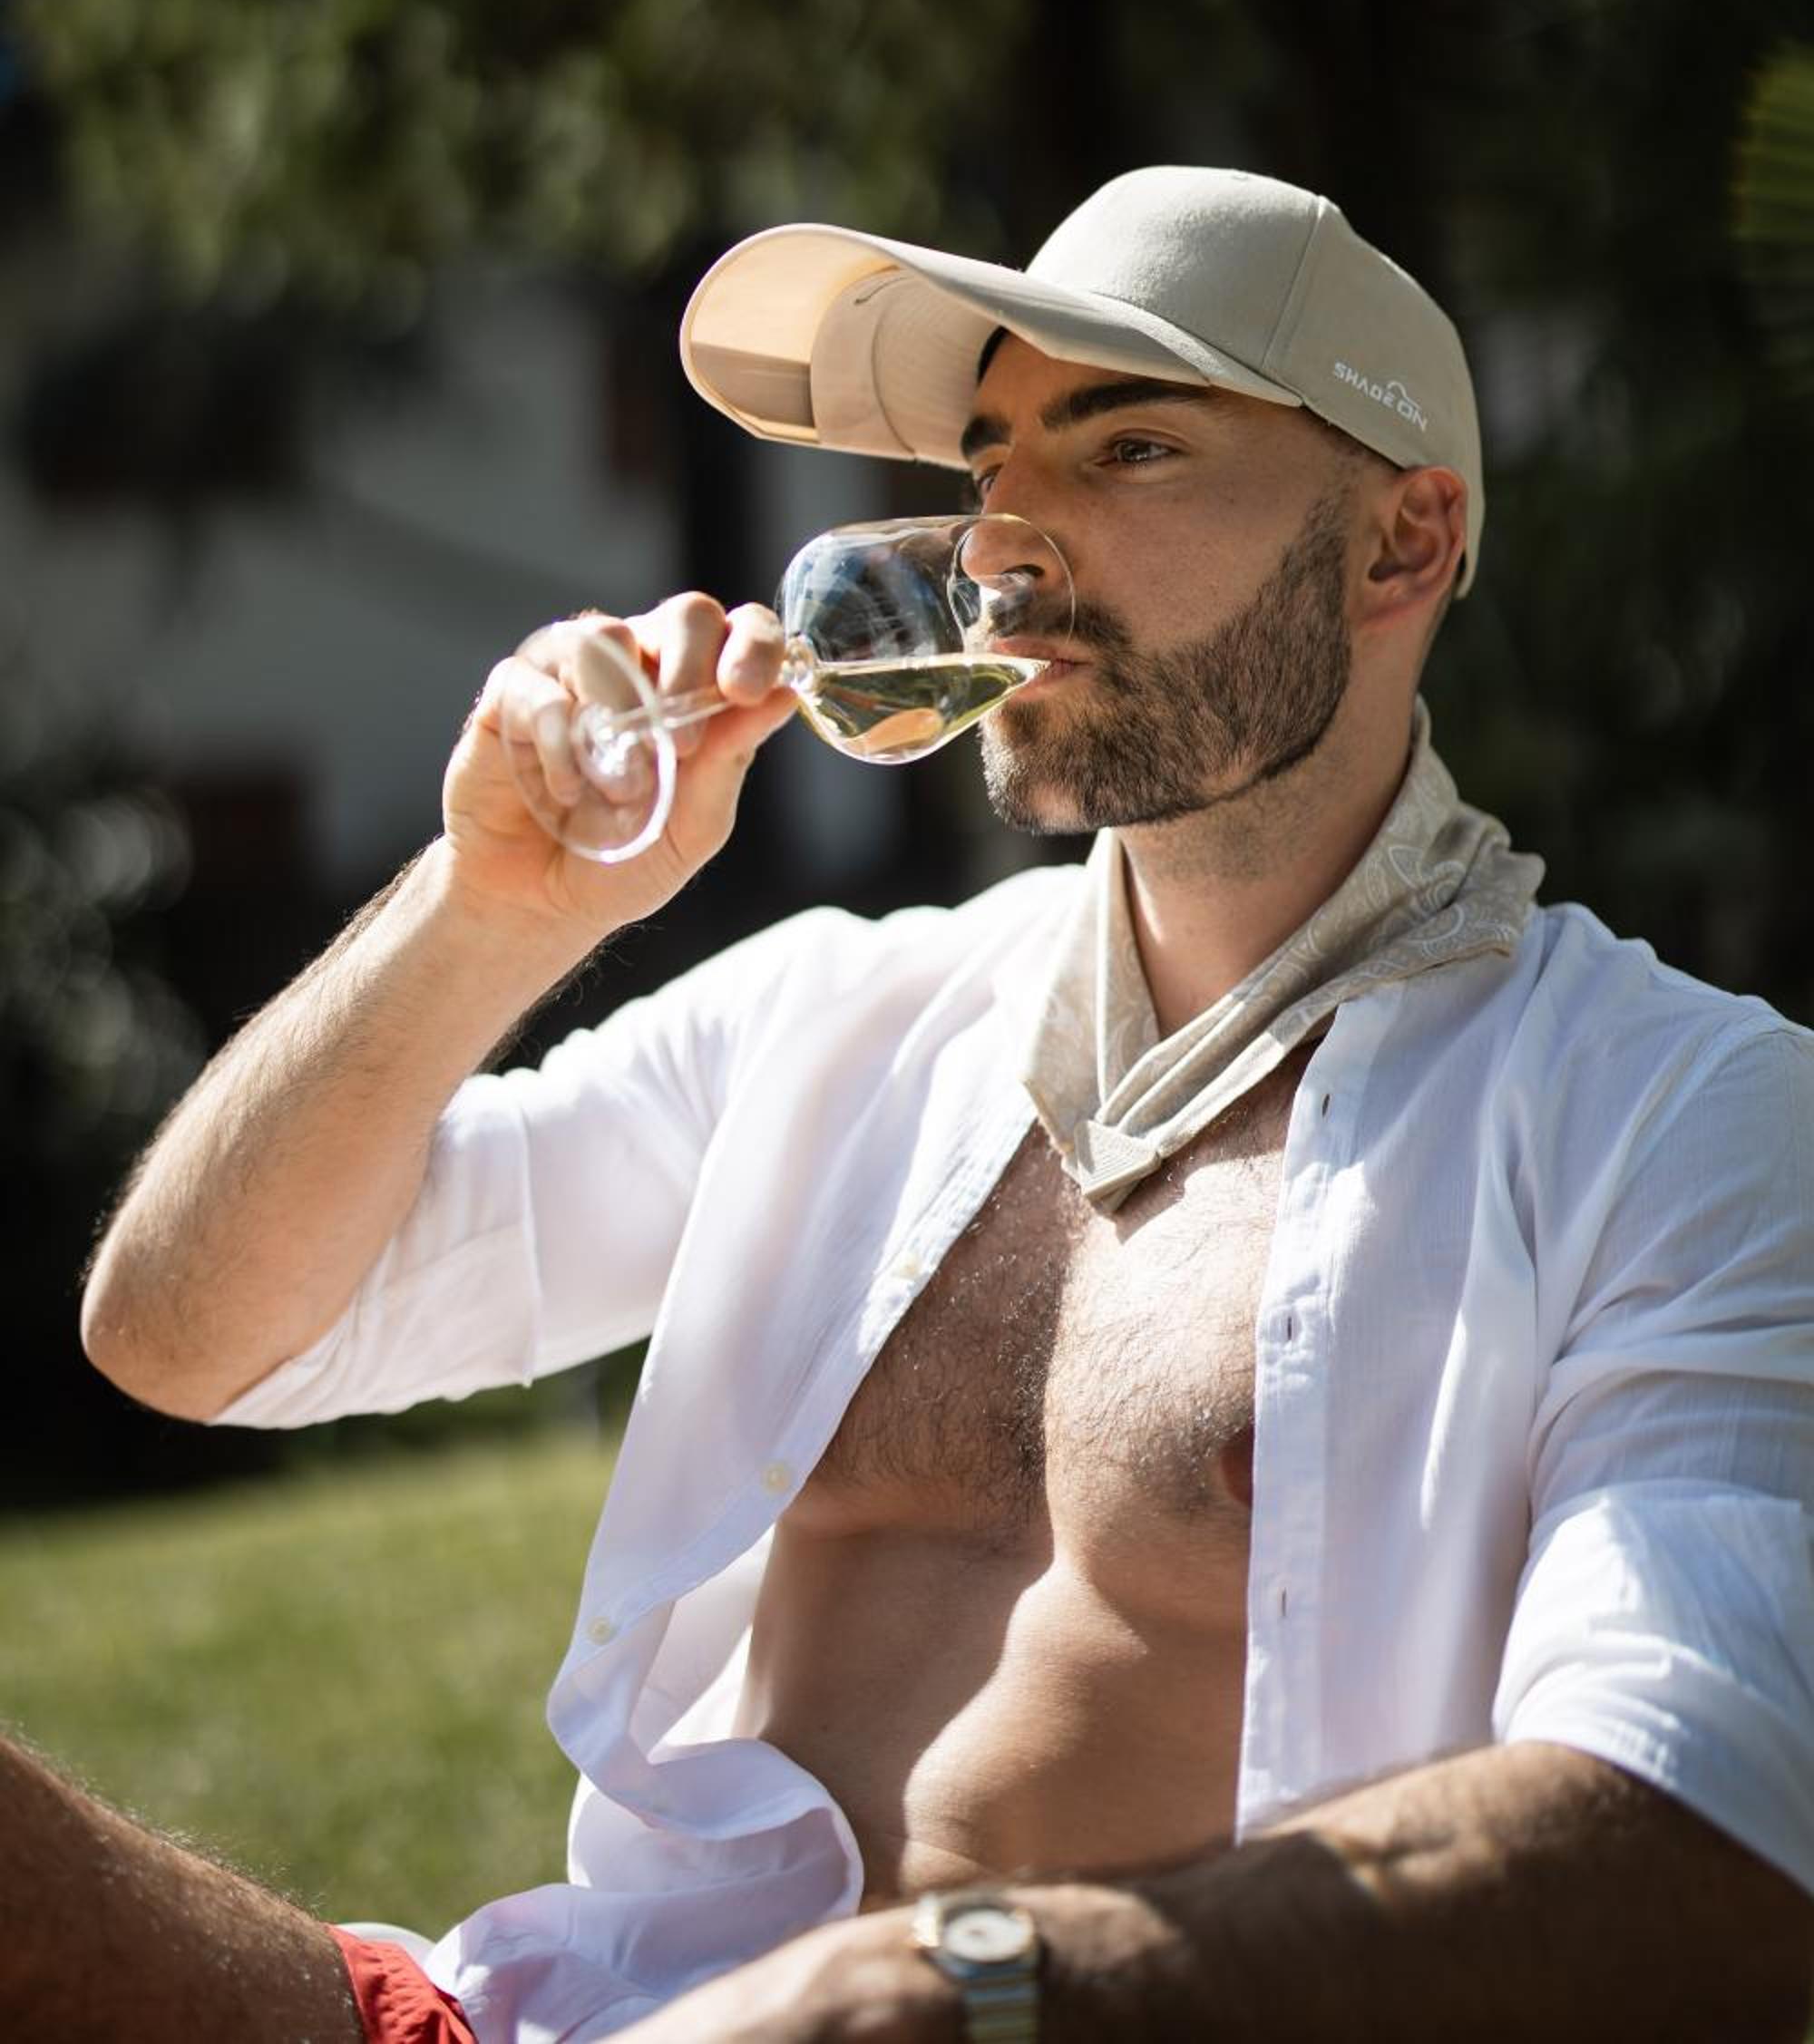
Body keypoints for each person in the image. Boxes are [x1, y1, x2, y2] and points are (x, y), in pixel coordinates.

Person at [53, 167, 1814, 2043]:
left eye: (1127, 448)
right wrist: (490, 911)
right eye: (989, 466)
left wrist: (930, 1992)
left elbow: (1704, 1843)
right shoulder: (846, 1014)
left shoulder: (1677, 1117)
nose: (1006, 550)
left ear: (1400, 545)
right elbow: (187, 1335)